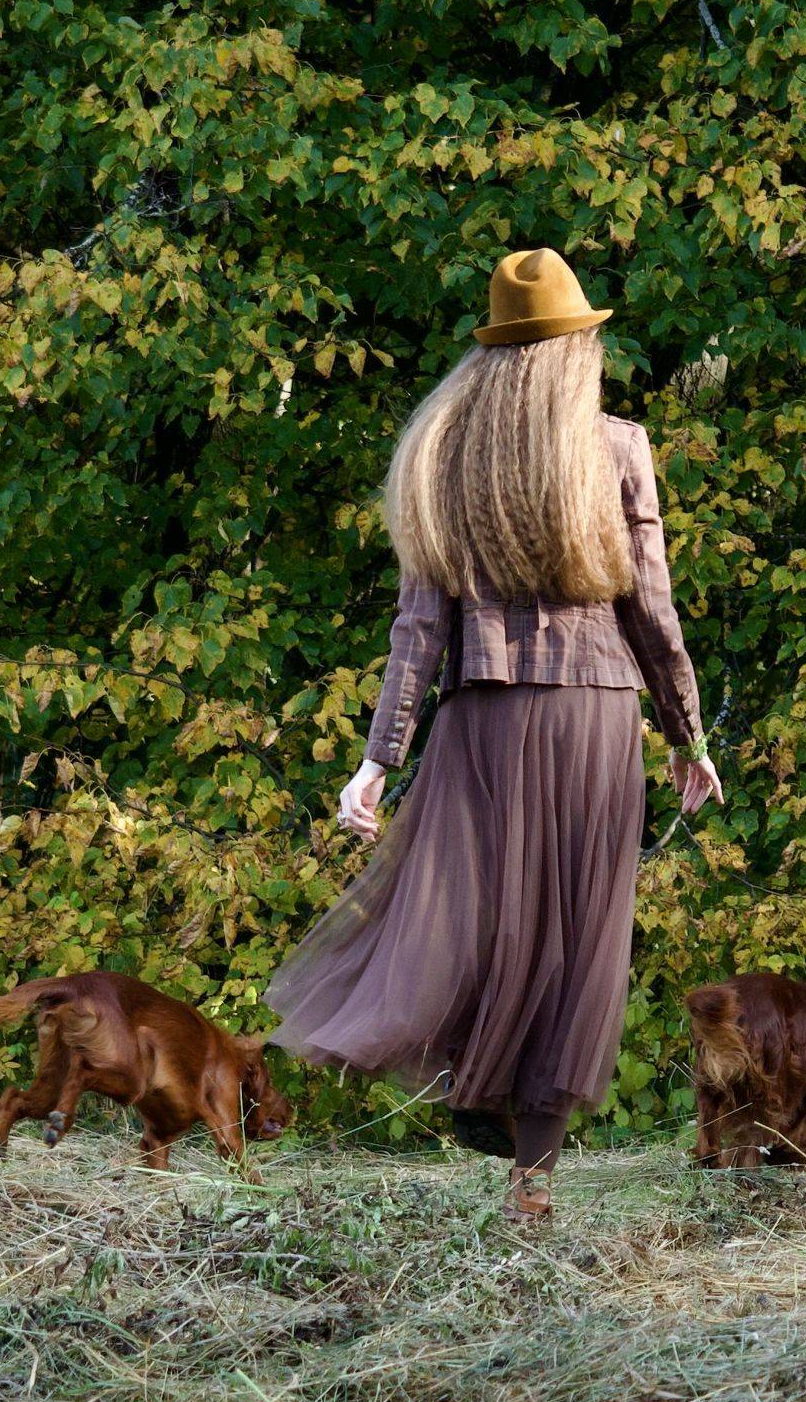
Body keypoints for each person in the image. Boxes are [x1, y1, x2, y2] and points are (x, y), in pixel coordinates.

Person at [263, 247, 722, 1223]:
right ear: (575, 350)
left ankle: (478, 1100)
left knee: (468, 922)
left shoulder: (446, 454)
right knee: (573, 941)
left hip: (484, 718)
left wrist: (377, 759)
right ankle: (532, 1182)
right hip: (596, 718)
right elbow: (653, 613)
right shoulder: (618, 447)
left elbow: (418, 627)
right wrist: (688, 735)